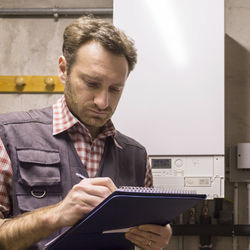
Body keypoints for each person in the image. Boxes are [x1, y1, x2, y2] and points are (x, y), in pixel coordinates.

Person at [0, 16, 172, 250]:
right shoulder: (8, 137)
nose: (103, 102)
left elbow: (146, 227)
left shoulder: (137, 157)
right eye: (92, 83)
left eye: (115, 89)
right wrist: (55, 215)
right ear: (63, 69)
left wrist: (156, 234)